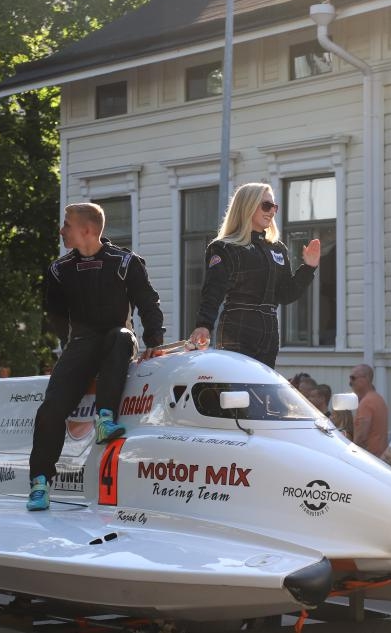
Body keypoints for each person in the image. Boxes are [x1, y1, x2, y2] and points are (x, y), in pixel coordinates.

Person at [27, 202, 164, 512]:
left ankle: (105, 418)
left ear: (86, 230)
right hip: (82, 344)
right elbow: (56, 316)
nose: (61, 231)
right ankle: (39, 483)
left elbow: (148, 303)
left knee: (119, 336)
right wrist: (68, 348)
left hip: (118, 340)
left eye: (66, 225)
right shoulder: (59, 270)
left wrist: (154, 340)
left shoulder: (125, 262)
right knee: (50, 409)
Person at [187, 182, 320, 368]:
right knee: (238, 390)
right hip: (238, 328)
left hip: (270, 332)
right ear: (247, 205)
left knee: (261, 393)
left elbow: (285, 294)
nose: (272, 211)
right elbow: (213, 291)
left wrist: (308, 268)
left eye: (274, 206)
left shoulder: (278, 248)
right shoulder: (224, 247)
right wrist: (204, 325)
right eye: (266, 205)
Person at [349, 364, 390, 457]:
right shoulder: (378, 398)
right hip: (379, 456)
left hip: (368, 457)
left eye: (353, 378)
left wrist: (351, 454)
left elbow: (361, 437)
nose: (350, 382)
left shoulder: (366, 402)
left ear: (366, 378)